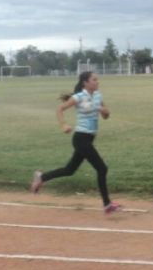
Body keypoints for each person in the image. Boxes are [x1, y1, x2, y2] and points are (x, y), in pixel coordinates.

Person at [29, 71, 121, 214]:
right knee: (102, 168)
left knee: (69, 170)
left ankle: (41, 177)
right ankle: (107, 204)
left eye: (97, 80)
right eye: (94, 80)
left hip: (89, 138)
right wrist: (63, 125)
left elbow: (106, 116)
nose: (97, 82)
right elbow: (60, 109)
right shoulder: (78, 97)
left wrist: (104, 111)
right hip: (80, 138)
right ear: (85, 82)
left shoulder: (98, 95)